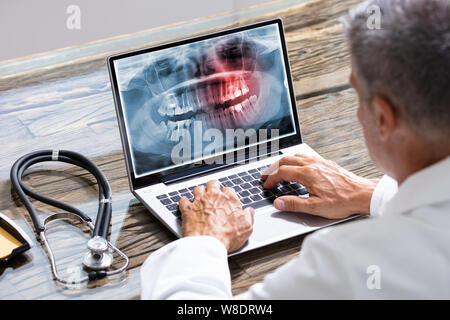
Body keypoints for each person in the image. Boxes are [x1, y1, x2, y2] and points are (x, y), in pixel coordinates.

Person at [140, 0, 450, 299]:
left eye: (357, 93)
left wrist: (203, 240)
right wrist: (370, 194)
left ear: (383, 118)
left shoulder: (347, 267)